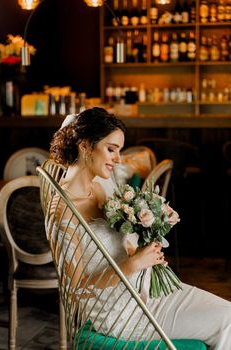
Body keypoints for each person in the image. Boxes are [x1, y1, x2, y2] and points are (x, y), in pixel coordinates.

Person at [49, 107, 231, 349]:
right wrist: (133, 264)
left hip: (142, 289)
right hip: (122, 314)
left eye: (119, 150)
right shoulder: (64, 208)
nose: (118, 158)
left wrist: (142, 250)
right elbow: (76, 287)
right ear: (84, 146)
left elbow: (117, 245)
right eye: (111, 149)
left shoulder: (98, 189)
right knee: (227, 322)